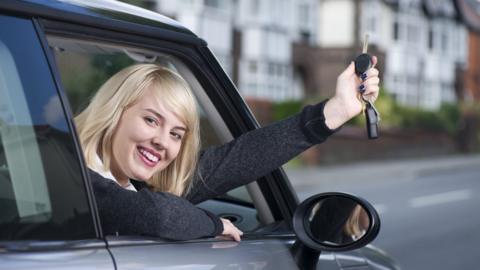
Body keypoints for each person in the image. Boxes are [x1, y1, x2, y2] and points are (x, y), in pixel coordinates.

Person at [75, 58, 380, 241]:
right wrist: (212, 224)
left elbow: (239, 159)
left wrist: (337, 110)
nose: (162, 141)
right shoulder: (73, 179)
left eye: (176, 134)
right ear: (114, 112)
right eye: (151, 120)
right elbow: (160, 217)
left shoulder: (136, 185)